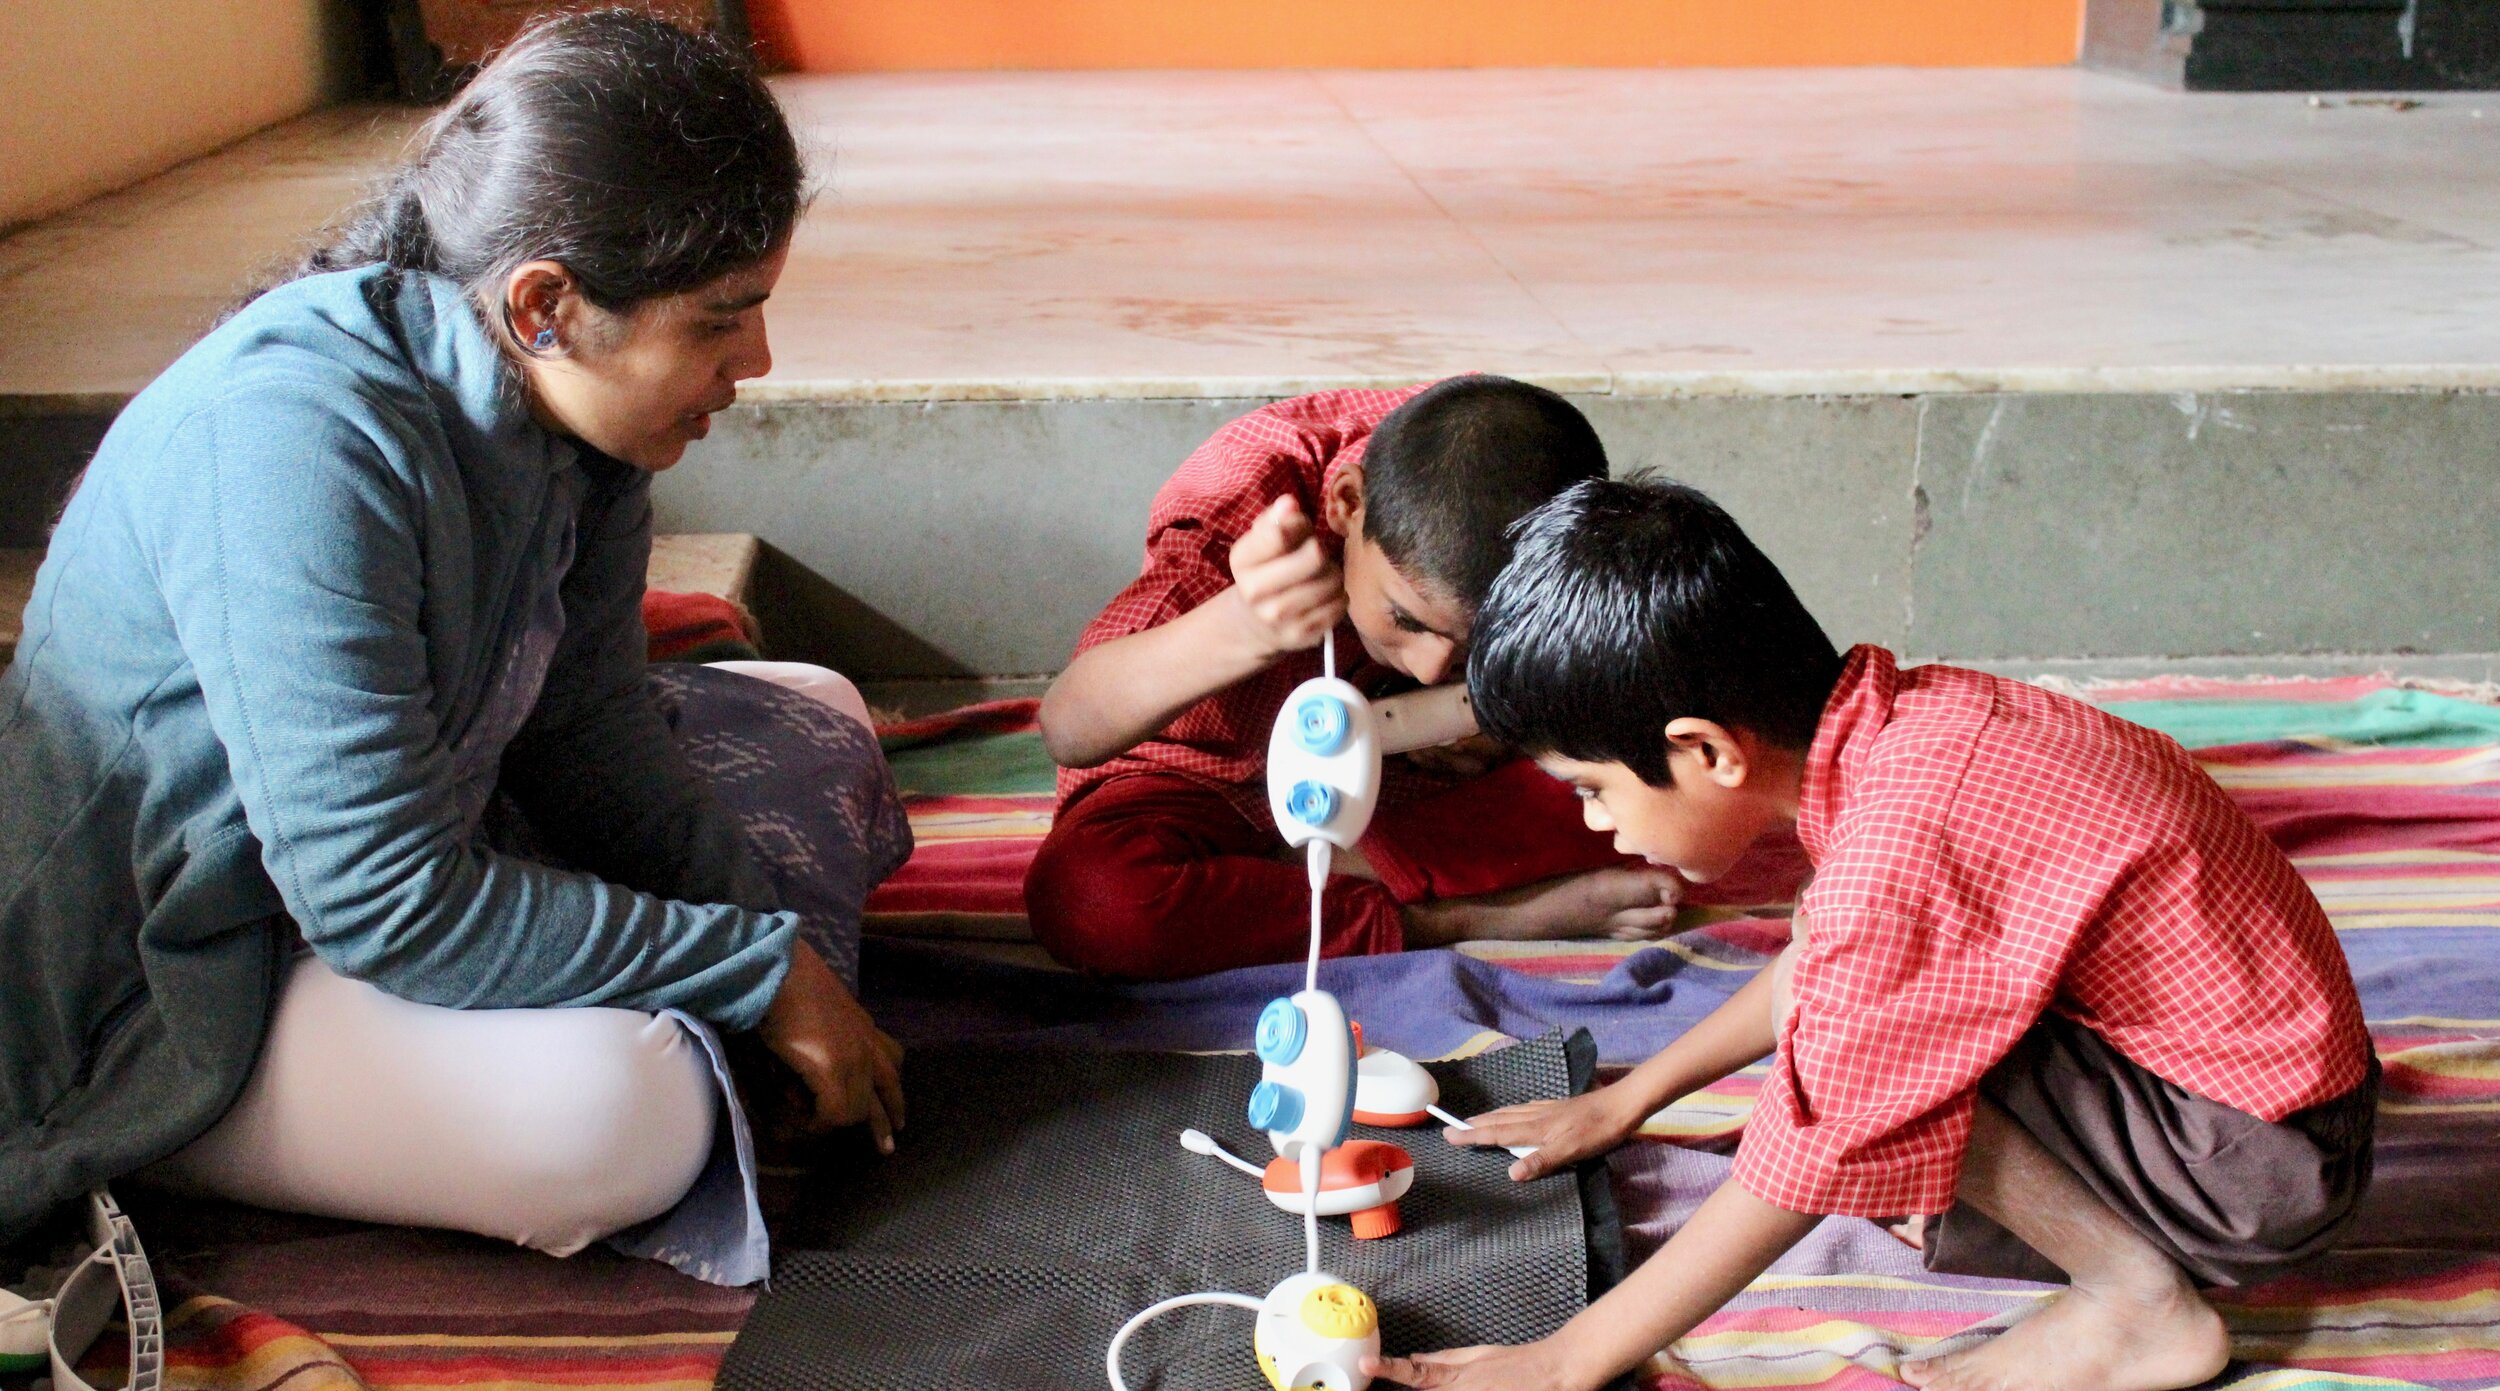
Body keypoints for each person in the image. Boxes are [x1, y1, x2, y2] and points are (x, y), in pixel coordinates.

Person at [0, 13, 908, 1264]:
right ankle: (171, 1137)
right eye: (717, 319)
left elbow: (586, 731)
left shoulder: (569, 417)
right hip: (184, 969)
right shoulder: (295, 435)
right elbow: (382, 897)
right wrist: (752, 971)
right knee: (625, 1112)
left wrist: (771, 946)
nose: (754, 359)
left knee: (815, 698)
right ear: (545, 304)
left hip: (400, 857)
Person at [1347, 474, 2377, 1391]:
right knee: (1861, 1000)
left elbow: (1813, 1144)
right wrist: (1629, 1100)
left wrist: (1562, 1363)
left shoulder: (1898, 844)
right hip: (2264, 1103)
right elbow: (1825, 956)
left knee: (1867, 1057)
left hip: (2251, 1163)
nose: (1600, 825)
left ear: (1707, 749)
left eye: (1593, 789)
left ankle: (2135, 1297)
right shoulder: (1911, 723)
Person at [1028, 378, 1684, 979]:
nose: (1432, 666)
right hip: (1209, 789)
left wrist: (1502, 722)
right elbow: (1067, 727)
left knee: (1663, 775)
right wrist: (1243, 627)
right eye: (1407, 618)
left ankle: (1286, 881)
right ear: (1346, 505)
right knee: (1093, 896)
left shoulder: (1540, 501)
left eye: (1469, 645)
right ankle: (1465, 917)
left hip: (1402, 791)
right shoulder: (1246, 505)